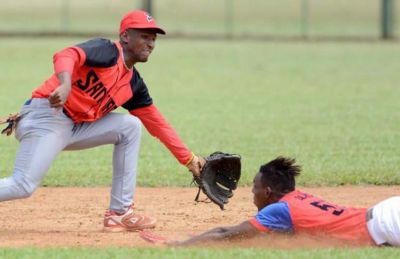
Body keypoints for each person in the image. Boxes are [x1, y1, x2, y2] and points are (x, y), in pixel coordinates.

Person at [0, 10, 205, 232]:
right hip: (47, 117)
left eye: (153, 38)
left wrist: (188, 159)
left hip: (76, 127)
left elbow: (157, 123)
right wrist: (65, 84)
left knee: (130, 126)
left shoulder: (133, 85)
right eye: (145, 36)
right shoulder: (107, 51)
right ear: (126, 36)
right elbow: (66, 55)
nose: (151, 43)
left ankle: (119, 213)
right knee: (23, 185)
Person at [168, 157, 400, 247]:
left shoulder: (280, 210)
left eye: (255, 189)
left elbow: (226, 232)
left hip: (386, 224)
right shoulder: (298, 198)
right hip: (385, 213)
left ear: (268, 192)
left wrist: (181, 245)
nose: (252, 195)